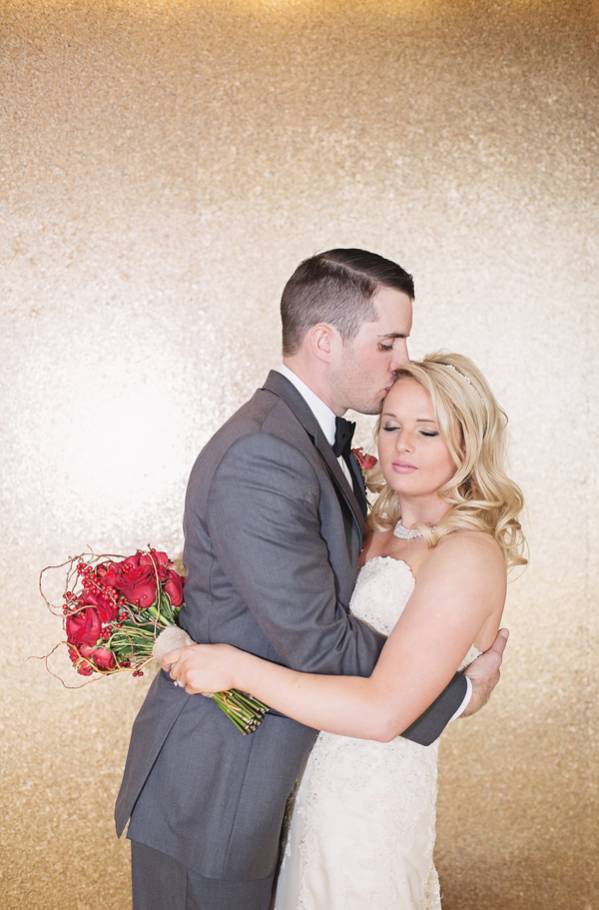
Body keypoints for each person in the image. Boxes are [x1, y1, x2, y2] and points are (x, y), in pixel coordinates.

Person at [115, 249, 506, 910]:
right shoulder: (266, 452)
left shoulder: (316, 448)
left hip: (304, 790)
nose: (401, 359)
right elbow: (319, 640)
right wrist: (451, 694)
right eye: (388, 341)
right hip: (220, 788)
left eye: (426, 430)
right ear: (326, 340)